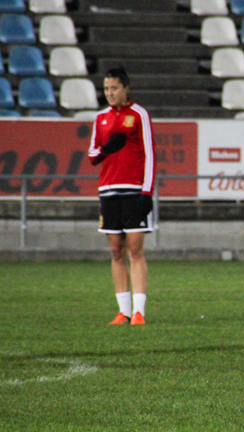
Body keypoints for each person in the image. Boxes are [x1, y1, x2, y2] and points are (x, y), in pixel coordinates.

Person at [88, 66, 155, 326]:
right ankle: (123, 312)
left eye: (114, 88)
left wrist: (146, 192)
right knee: (116, 251)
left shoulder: (139, 115)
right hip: (108, 189)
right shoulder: (101, 118)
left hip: (133, 190)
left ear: (125, 88)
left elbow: (149, 155)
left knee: (135, 250)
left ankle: (139, 312)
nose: (110, 93)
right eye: (106, 89)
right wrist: (106, 149)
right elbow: (93, 157)